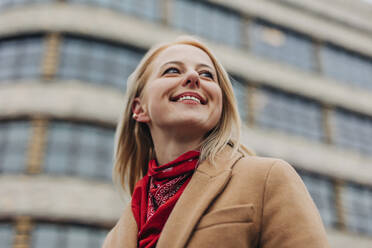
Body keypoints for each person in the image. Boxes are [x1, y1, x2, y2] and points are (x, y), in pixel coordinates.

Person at [102, 36, 330, 248]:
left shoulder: (267, 178)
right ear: (139, 109)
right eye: (172, 70)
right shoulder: (115, 238)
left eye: (207, 75)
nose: (193, 78)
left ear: (219, 107)